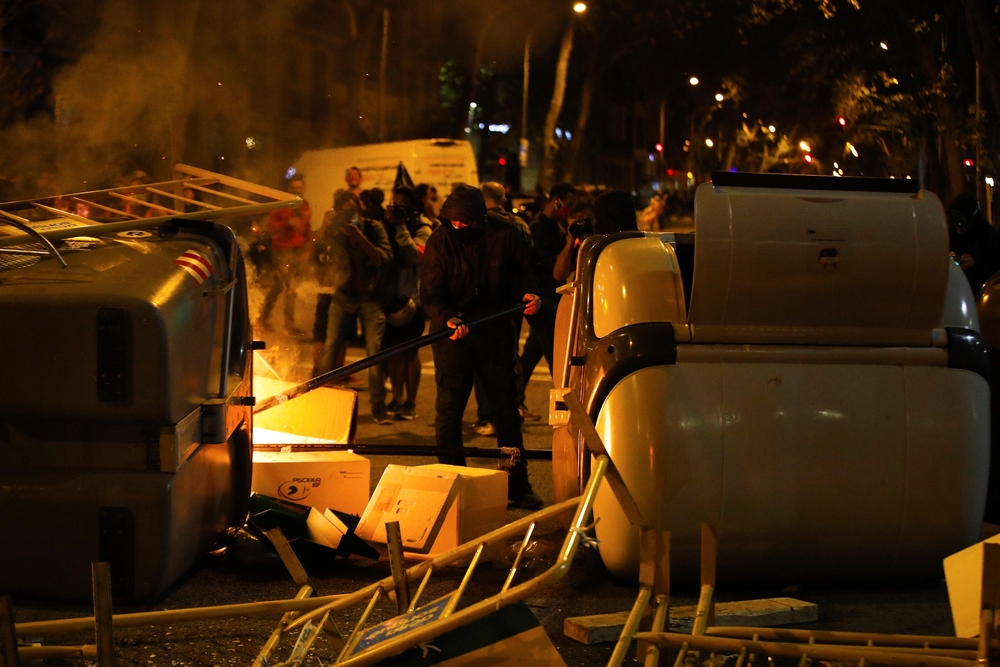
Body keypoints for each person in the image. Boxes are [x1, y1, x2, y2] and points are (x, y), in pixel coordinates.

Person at [420, 184, 543, 508]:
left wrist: (530, 293)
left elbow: (527, 270)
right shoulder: (440, 239)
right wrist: (447, 318)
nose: (459, 226)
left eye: (466, 221)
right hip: (453, 337)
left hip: (495, 331)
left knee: (506, 410)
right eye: (454, 220)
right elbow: (430, 292)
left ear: (480, 219)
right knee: (449, 411)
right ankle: (451, 482)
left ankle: (516, 483)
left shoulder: (504, 234)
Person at [316, 190, 394, 424]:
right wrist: (324, 228)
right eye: (344, 211)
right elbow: (315, 254)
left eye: (353, 210)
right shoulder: (332, 231)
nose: (349, 215)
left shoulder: (372, 228)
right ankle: (317, 400)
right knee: (330, 347)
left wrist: (359, 236)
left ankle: (378, 408)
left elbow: (384, 257)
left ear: (359, 210)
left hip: (371, 297)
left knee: (374, 353)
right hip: (343, 296)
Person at [473, 182, 539, 435]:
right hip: (513, 301)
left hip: (485, 301)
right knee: (508, 356)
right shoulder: (519, 224)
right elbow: (529, 261)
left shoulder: (477, 224)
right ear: (503, 198)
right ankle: (513, 408)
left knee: (482, 359)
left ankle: (487, 416)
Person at [380, 186, 433, 420]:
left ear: (414, 206)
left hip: (413, 302)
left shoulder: (424, 227)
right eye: (395, 204)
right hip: (390, 299)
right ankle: (396, 398)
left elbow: (415, 256)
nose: (397, 208)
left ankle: (410, 402)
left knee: (410, 353)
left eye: (402, 204)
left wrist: (400, 227)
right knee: (393, 353)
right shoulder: (387, 226)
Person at [520, 182, 576, 398]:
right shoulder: (541, 228)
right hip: (542, 300)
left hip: (549, 298)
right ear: (556, 201)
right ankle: (566, 402)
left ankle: (515, 401)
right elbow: (549, 267)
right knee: (557, 357)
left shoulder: (556, 226)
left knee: (531, 354)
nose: (568, 209)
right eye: (567, 204)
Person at [258, 173, 311, 335]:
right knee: (289, 286)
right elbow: (270, 227)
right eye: (294, 188)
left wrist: (307, 251)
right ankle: (287, 325)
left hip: (297, 250)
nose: (298, 191)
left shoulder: (305, 206)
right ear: (289, 188)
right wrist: (286, 223)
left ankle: (266, 318)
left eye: (300, 188)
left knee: (282, 286)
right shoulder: (281, 204)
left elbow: (307, 230)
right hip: (281, 250)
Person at [948, 193, 1000, 295]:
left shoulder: (991, 237)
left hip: (982, 298)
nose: (958, 229)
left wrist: (974, 265)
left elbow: (995, 275)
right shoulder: (952, 235)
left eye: (962, 223)